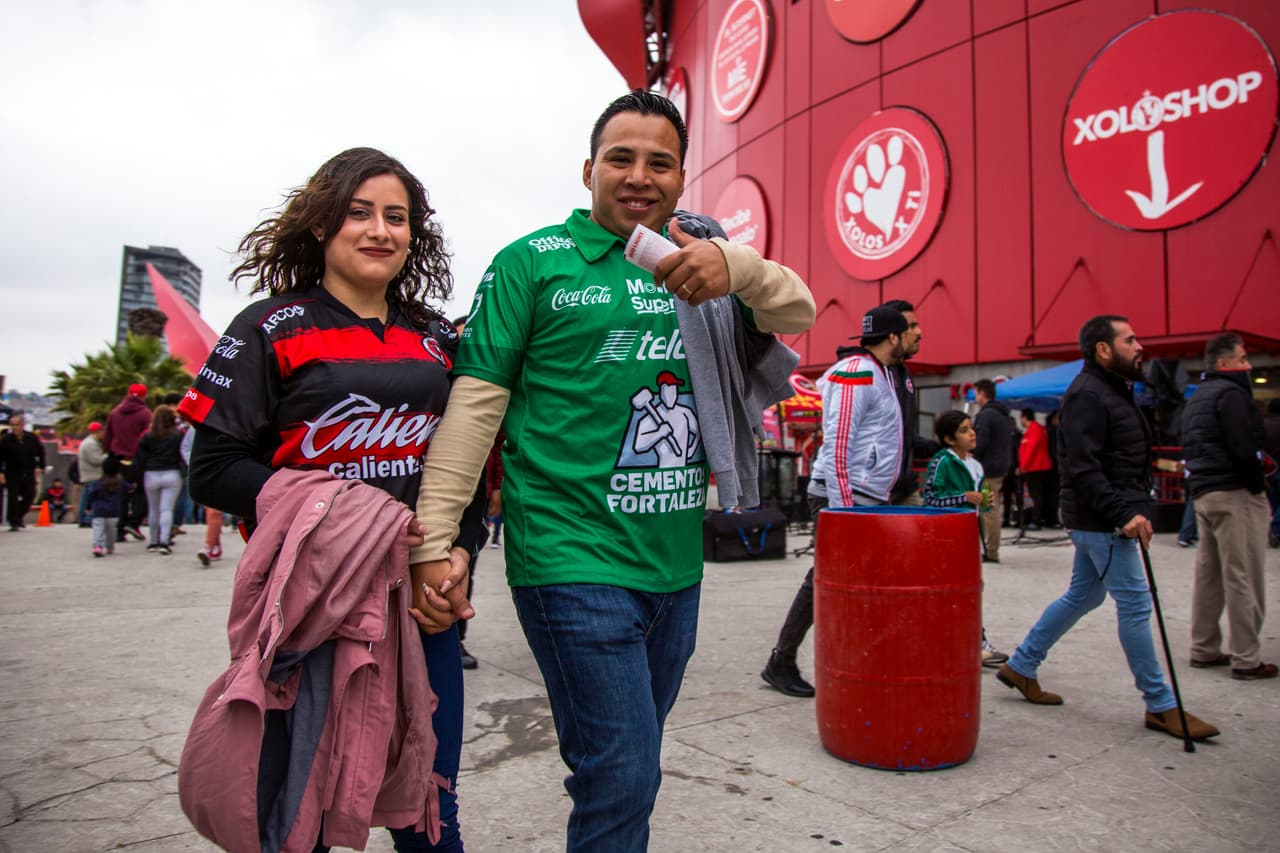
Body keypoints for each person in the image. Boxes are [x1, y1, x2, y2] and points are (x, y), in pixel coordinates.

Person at [409, 90, 815, 851]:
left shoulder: (700, 262)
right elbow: (473, 411)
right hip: (568, 557)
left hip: (675, 566)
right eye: (620, 158)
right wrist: (433, 541)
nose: (639, 176)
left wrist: (734, 265)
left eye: (659, 162)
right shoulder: (532, 263)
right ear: (588, 168)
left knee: (630, 765)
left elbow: (798, 309)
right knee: (621, 771)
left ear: (681, 174)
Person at [181, 147, 484, 851]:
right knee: (300, 812)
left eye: (396, 217)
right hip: (309, 606)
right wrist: (355, 513)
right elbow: (215, 468)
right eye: (359, 212)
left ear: (415, 235)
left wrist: (460, 548)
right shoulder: (269, 326)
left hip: (419, 606)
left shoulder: (437, 339)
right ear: (322, 225)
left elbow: (460, 467)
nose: (379, 229)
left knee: (430, 808)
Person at [997, 315, 1219, 742]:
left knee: (1084, 593)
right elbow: (1083, 466)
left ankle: (1021, 665)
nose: (1140, 346)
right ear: (1103, 348)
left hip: (1103, 516)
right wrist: (1122, 513)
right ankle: (1160, 705)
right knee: (1135, 603)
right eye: (1130, 339)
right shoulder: (1088, 395)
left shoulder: (1112, 390)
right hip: (1102, 519)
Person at [762, 304, 908, 698]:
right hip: (843, 498)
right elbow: (840, 442)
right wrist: (845, 512)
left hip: (863, 497)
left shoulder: (882, 374)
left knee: (845, 582)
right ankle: (782, 659)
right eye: (908, 330)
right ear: (892, 337)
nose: (914, 336)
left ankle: (851, 658)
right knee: (824, 581)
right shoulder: (857, 372)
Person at [1182, 333, 1275, 680]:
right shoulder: (1232, 395)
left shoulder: (1198, 397)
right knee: (1243, 574)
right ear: (1225, 364)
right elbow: (1243, 445)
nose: (1248, 365)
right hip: (1235, 492)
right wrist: (1257, 481)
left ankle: (1203, 647)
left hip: (1205, 493)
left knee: (1209, 575)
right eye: (1242, 359)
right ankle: (1246, 657)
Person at [923, 410, 1007, 667]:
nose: (972, 433)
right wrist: (964, 498)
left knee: (970, 591)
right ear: (949, 439)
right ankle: (964, 643)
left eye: (971, 428)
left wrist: (986, 502)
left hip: (970, 538)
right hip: (945, 539)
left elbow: (980, 505)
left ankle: (974, 643)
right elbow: (931, 499)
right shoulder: (941, 462)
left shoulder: (976, 465)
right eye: (964, 430)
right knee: (949, 593)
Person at [882, 298, 931, 505]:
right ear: (893, 335)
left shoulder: (904, 374)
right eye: (911, 326)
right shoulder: (874, 374)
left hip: (904, 486)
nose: (919, 332)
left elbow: (904, 432)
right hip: (877, 491)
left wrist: (940, 447)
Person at [133, 404, 185, 555]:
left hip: (151, 473)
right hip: (172, 473)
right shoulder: (177, 435)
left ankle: (153, 541)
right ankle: (164, 541)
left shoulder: (147, 436)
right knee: (167, 509)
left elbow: (140, 458)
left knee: (153, 509)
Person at [971, 379, 1014, 562]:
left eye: (976, 393)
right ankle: (991, 549)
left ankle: (990, 551)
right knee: (992, 507)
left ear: (981, 393)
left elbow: (980, 443)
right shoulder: (1003, 415)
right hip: (1000, 466)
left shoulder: (986, 415)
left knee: (988, 508)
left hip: (987, 468)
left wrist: (970, 454)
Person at [104, 384, 151, 541]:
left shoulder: (115, 412)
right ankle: (134, 522)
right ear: (144, 396)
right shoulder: (145, 414)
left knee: (120, 494)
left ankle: (120, 529)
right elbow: (146, 438)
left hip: (117, 458)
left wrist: (109, 453)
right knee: (142, 492)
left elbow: (107, 437)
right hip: (137, 459)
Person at [1, 413, 45, 531]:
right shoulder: (6, 439)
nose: (15, 427)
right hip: (12, 472)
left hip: (28, 471)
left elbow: (40, 452)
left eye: (17, 425)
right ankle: (13, 521)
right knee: (13, 497)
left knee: (30, 495)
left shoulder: (31, 438)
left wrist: (41, 466)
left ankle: (19, 516)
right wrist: (1, 472)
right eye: (13, 425)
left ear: (22, 425)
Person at [1018, 408, 1053, 528]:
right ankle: (1037, 518)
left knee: (1036, 494)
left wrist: (1024, 466)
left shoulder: (1034, 429)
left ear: (1024, 417)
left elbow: (1031, 449)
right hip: (1034, 466)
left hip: (1035, 467)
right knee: (1036, 494)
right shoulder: (1034, 429)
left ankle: (1037, 520)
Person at [85, 457, 127, 557]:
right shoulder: (120, 482)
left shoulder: (98, 482)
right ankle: (110, 547)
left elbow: (92, 495)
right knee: (112, 531)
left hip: (99, 511)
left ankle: (98, 546)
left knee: (98, 529)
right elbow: (129, 488)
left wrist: (88, 506)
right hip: (114, 511)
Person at [77, 421, 107, 528]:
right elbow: (96, 460)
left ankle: (84, 518)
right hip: (92, 476)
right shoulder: (90, 444)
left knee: (87, 498)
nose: (104, 434)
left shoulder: (92, 443)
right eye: (102, 431)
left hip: (90, 476)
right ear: (97, 432)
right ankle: (86, 519)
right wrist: (108, 455)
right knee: (91, 500)